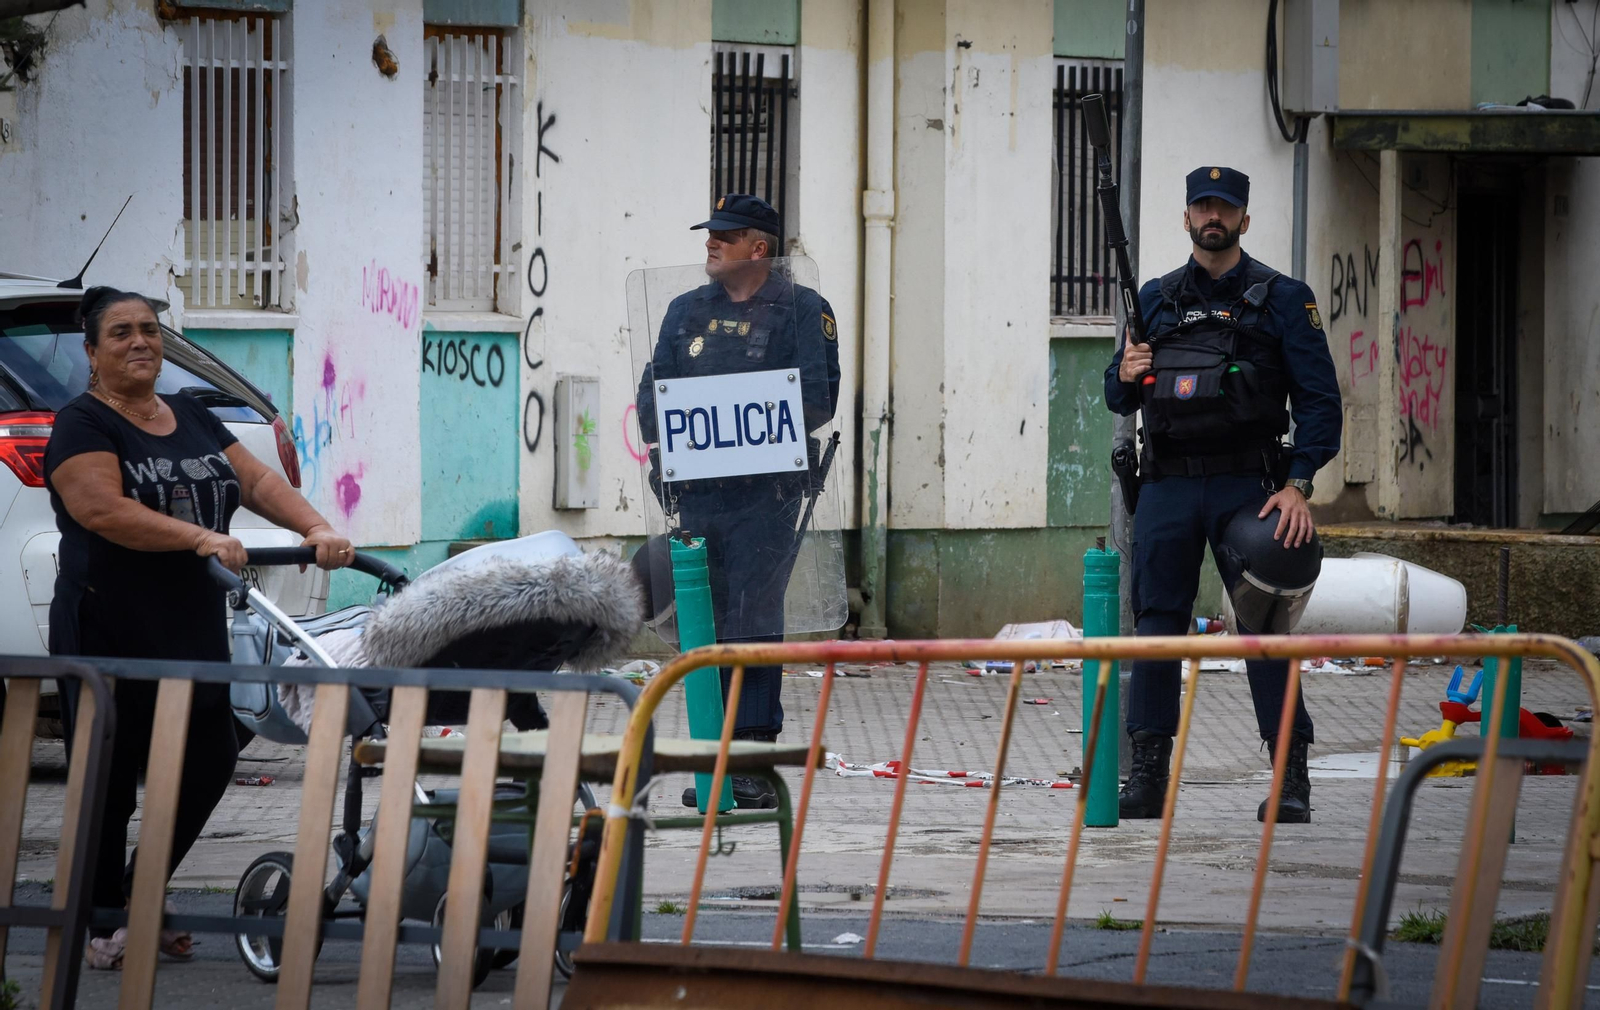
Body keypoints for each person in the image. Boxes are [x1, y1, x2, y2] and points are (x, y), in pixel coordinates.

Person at [45, 286, 353, 969]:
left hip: (189, 618)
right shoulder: (83, 423)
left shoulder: (187, 414)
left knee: (212, 755)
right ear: (93, 353)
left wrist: (316, 526)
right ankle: (100, 923)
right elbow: (101, 510)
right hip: (107, 621)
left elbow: (256, 483)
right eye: (120, 332)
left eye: (149, 330)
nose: (139, 342)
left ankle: (138, 895)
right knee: (110, 774)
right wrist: (199, 537)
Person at [1104, 167, 1341, 824]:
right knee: (1155, 628)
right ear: (1186, 218)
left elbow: (1320, 403)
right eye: (1203, 206)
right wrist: (1124, 374)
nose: (1214, 216)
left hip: (1249, 490)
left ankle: (1291, 775)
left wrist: (1299, 486)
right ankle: (1148, 773)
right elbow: (1117, 393)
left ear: (1244, 218)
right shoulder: (1152, 299)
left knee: (1263, 628)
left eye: (1226, 207)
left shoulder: (1285, 298)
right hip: (1169, 486)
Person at [635, 194, 840, 809]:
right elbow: (652, 395)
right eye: (710, 234)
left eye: (726, 235)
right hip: (697, 496)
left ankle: (750, 759)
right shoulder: (683, 311)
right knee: (709, 620)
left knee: (753, 617)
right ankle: (711, 759)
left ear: (760, 248)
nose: (711, 243)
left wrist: (736, 415)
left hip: (766, 496)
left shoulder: (803, 310)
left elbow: (818, 399)